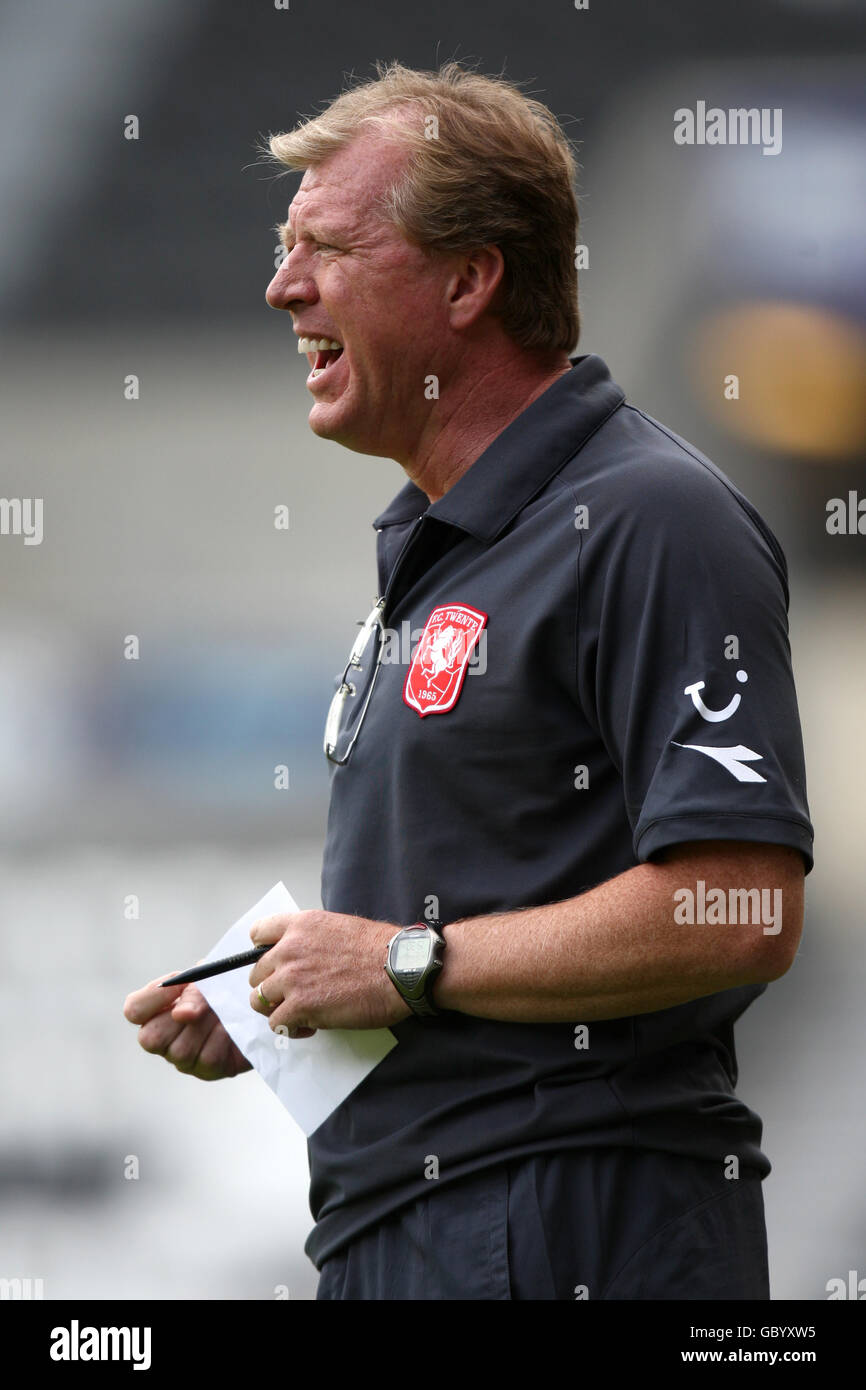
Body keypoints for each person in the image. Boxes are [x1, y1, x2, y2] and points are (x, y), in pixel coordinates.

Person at [124, 61, 814, 1300]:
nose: (283, 288)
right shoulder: (439, 544)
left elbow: (742, 905)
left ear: (468, 278)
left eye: (325, 248)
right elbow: (486, 898)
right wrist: (296, 989)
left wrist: (398, 961)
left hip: (573, 1217)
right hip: (401, 1227)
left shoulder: (650, 518)